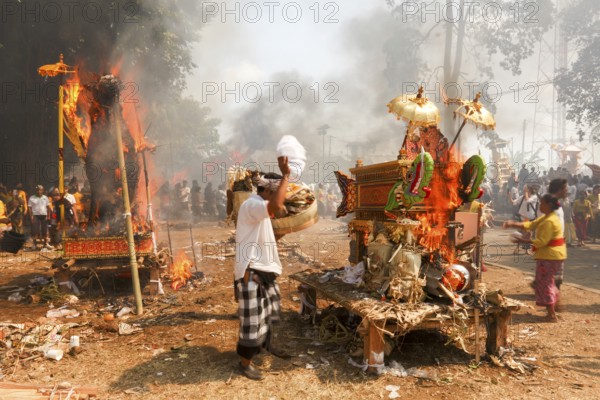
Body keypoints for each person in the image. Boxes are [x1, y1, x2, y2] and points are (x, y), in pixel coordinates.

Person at [234, 156, 291, 380]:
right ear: (268, 191)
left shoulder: (260, 209)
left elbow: (277, 214)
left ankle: (267, 348)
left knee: (269, 315)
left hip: (264, 271)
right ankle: (245, 363)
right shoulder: (252, 205)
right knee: (252, 323)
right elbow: (277, 205)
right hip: (252, 273)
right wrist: (286, 175)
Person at [503, 194, 566, 322]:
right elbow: (531, 224)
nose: (539, 206)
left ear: (548, 205)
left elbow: (542, 241)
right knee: (547, 281)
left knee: (544, 283)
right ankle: (555, 306)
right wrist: (513, 223)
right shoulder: (547, 217)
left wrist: (521, 240)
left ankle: (551, 314)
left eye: (542, 203)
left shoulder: (549, 221)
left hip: (549, 255)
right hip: (552, 255)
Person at [28, 185, 51, 250]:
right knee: (35, 231)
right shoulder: (31, 198)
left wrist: (48, 215)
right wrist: (31, 216)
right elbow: (29, 208)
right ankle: (34, 245)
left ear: (43, 190)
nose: (39, 191)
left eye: (40, 190)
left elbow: (48, 207)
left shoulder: (45, 198)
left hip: (44, 215)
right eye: (37, 190)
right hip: (36, 215)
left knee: (45, 230)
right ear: (36, 190)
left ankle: (45, 244)